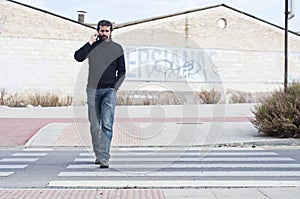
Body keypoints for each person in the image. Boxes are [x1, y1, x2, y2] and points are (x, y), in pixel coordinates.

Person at [74, 20, 126, 168]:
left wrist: (114, 88)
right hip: (92, 90)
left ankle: (104, 157)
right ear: (97, 31)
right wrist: (89, 42)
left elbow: (122, 72)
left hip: (109, 91)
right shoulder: (92, 47)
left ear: (111, 32)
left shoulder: (117, 48)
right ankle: (98, 154)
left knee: (107, 125)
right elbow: (78, 57)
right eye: (101, 31)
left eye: (106, 31)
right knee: (95, 125)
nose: (104, 34)